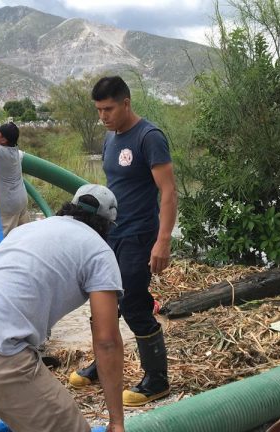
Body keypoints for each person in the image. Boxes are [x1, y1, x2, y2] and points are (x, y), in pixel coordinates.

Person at [0, 184, 126, 432]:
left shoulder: (31, 228)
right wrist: (117, 421)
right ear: (108, 225)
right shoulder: (99, 251)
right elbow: (107, 341)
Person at [69, 76, 177, 407]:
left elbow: (169, 191)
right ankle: (104, 364)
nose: (103, 116)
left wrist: (163, 241)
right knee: (102, 300)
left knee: (132, 303)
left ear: (126, 103)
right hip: (111, 233)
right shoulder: (110, 138)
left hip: (139, 235)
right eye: (99, 110)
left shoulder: (149, 137)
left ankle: (157, 380)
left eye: (109, 109)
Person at [0, 122, 29, 235]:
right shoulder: (15, 151)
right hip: (21, 201)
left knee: (4, 243)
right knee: (24, 237)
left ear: (4, 140)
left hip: (9, 206)